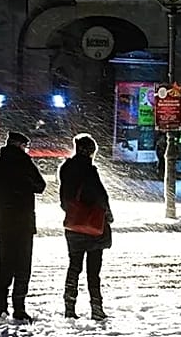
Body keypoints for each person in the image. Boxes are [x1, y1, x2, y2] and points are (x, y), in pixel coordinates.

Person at [0, 130, 46, 322]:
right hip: (23, 222)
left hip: (3, 222)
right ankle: (19, 308)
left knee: (4, 266)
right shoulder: (24, 163)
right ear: (20, 146)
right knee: (22, 267)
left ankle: (0, 308)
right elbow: (40, 186)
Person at [58, 133, 113, 321]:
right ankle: (96, 308)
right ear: (89, 151)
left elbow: (64, 199)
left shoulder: (66, 168)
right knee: (93, 271)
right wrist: (108, 214)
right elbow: (100, 197)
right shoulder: (89, 171)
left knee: (74, 266)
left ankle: (69, 307)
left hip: (73, 225)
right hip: (93, 225)